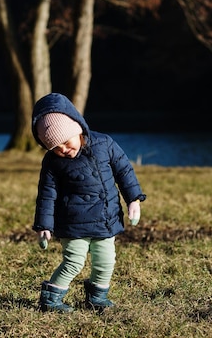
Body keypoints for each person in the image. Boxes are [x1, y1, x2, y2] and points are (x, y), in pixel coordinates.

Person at [31, 93, 146, 312]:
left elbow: (124, 171)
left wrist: (133, 198)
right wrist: (44, 225)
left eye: (66, 142)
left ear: (78, 130)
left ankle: (97, 298)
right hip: (73, 224)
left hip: (105, 219)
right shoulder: (53, 163)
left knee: (106, 261)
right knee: (73, 262)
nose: (63, 149)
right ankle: (51, 299)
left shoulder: (104, 143)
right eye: (55, 147)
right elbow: (47, 194)